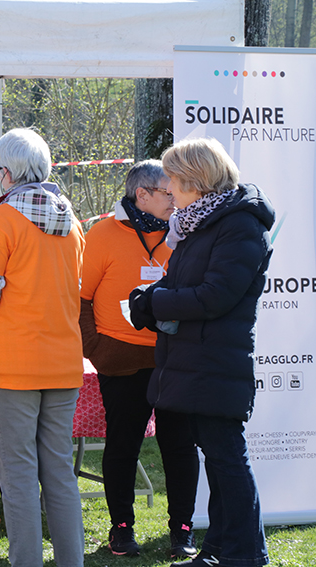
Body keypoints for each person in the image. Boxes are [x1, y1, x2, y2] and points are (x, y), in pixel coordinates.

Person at [129, 138, 274, 567]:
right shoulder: (199, 224)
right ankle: (219, 551)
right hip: (194, 360)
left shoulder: (239, 225)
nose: (168, 189)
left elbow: (216, 296)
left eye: (172, 179)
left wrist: (155, 303)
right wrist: (148, 298)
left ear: (195, 179)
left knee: (227, 459)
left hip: (216, 361)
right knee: (220, 459)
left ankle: (246, 555)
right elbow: (179, 286)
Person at [0, 128, 85, 567]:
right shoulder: (73, 225)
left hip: (14, 365)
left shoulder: (3, 219)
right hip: (65, 363)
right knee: (59, 473)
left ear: (7, 172)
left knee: (17, 475)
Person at [80, 160, 199, 558]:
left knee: (180, 445)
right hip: (120, 357)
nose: (175, 198)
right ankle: (121, 529)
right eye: (168, 192)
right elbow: (79, 298)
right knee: (123, 444)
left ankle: (182, 529)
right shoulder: (101, 234)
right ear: (142, 195)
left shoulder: (182, 232)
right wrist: (96, 348)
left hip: (175, 357)